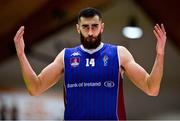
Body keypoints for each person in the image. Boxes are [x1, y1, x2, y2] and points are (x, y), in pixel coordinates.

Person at [14, 7, 166, 120]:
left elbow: (151, 88)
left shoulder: (119, 54)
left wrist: (160, 54)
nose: (91, 32)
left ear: (102, 27)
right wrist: (21, 55)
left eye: (94, 26)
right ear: (78, 29)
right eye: (86, 27)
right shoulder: (65, 56)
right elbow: (35, 87)